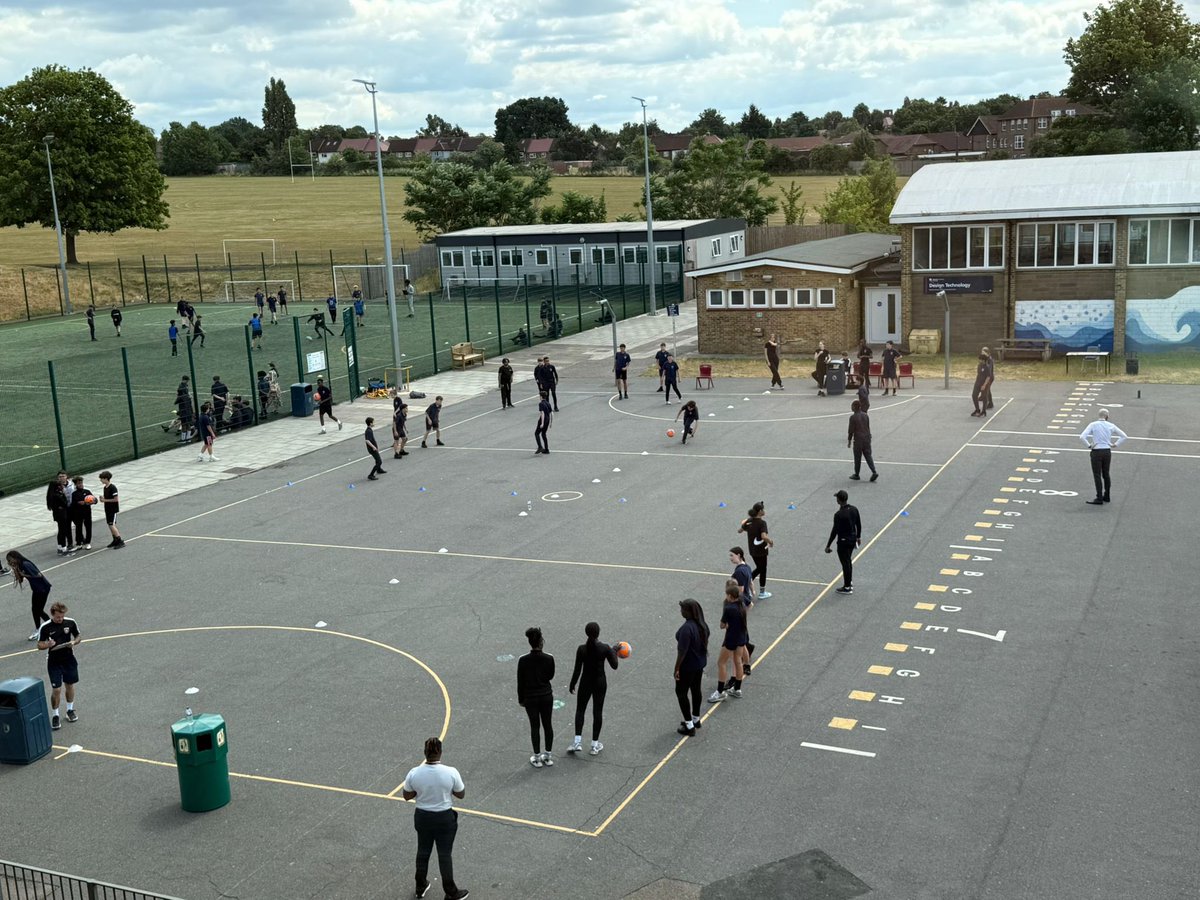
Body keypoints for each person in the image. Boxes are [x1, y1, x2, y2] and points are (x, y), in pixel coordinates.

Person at [402, 737, 469, 900]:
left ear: (425, 752)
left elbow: (407, 795)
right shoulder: (451, 772)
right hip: (444, 818)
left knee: (423, 851)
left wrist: (422, 791)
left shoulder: (414, 772)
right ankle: (450, 891)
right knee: (444, 854)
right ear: (440, 752)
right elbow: (461, 794)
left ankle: (420, 886)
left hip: (423, 817)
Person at [567, 622, 618, 756]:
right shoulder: (605, 648)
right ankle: (594, 745)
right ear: (598, 633)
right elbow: (615, 665)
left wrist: (573, 683)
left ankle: (577, 741)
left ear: (586, 633)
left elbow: (577, 669)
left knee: (580, 710)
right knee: (597, 711)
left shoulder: (582, 649)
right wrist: (614, 651)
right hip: (600, 682)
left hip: (585, 682)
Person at [37, 601, 81, 731]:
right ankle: (55, 715)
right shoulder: (45, 627)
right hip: (54, 662)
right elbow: (39, 645)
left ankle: (70, 710)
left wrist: (74, 642)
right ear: (52, 614)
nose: (60, 619)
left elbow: (78, 636)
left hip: (68, 659)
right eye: (57, 617)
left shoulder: (70, 622)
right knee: (56, 690)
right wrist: (48, 645)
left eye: (61, 617)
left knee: (70, 685)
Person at [517, 626, 556, 768]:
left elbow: (520, 681)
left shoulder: (523, 660)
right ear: (541, 642)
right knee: (548, 724)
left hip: (530, 697)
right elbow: (551, 675)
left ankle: (537, 756)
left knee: (535, 726)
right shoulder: (549, 658)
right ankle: (548, 755)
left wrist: (521, 699)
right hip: (546, 695)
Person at [674, 598, 709, 736]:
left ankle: (689, 725)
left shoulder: (686, 629)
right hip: (699, 664)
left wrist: (677, 668)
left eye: (683, 609)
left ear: (688, 612)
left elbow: (682, 651)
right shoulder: (702, 626)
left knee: (681, 693)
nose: (681, 611)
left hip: (687, 666)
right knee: (696, 690)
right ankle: (696, 719)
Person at [708, 584, 748, 703]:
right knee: (738, 662)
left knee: (721, 663)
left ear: (730, 596)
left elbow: (722, 625)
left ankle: (720, 692)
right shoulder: (741, 605)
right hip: (741, 637)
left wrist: (727, 624)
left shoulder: (729, 608)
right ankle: (737, 689)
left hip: (731, 639)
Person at [1080, 409, 1128, 505]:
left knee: (1097, 474)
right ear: (1107, 416)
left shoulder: (1093, 424)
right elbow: (1124, 436)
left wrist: (1089, 445)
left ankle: (1099, 497)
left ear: (1099, 416)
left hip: (1096, 451)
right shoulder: (1111, 425)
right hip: (1107, 451)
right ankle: (1107, 495)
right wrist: (1115, 444)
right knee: (1106, 474)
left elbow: (1082, 437)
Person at [7, 550, 52, 640]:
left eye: (10, 560)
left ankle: (49, 626)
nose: (10, 562)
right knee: (35, 609)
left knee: (38, 610)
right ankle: (41, 628)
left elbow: (38, 575)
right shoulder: (19, 566)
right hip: (36, 589)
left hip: (43, 588)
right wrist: (17, 573)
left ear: (15, 557)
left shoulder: (26, 564)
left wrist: (24, 574)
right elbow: (21, 580)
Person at [825, 489, 862, 594]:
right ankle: (849, 581)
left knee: (845, 563)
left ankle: (847, 587)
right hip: (852, 540)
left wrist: (828, 545)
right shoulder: (854, 509)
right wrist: (858, 537)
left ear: (839, 500)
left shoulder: (839, 515)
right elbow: (858, 524)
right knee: (848, 561)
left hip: (843, 542)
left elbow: (835, 531)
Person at [738, 502, 774, 599]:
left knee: (760, 568)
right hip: (761, 550)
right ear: (759, 512)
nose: (764, 511)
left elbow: (740, 530)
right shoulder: (762, 523)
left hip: (752, 550)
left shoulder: (749, 521)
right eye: (763, 509)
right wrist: (770, 542)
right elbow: (763, 536)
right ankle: (760, 591)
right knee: (762, 569)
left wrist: (746, 526)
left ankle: (749, 585)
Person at [848, 399, 879, 482]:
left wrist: (849, 440)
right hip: (867, 438)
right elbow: (867, 427)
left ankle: (857, 474)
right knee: (868, 456)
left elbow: (851, 430)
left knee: (857, 458)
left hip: (858, 440)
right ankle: (874, 471)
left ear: (854, 407)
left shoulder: (853, 417)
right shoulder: (865, 415)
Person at [46, 472, 74, 555]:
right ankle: (64, 548)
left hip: (57, 514)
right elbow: (65, 503)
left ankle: (60, 547)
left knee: (61, 531)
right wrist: (64, 495)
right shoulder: (58, 495)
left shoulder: (51, 495)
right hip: (62, 515)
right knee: (63, 531)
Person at [98, 470, 124, 549]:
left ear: (106, 478)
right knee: (110, 525)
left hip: (113, 509)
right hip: (108, 509)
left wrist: (105, 500)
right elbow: (107, 498)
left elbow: (115, 499)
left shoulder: (113, 487)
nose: (100, 480)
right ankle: (115, 539)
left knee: (112, 524)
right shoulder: (105, 488)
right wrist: (103, 498)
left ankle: (120, 541)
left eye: (101, 479)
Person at [70, 475, 95, 550]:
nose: (80, 484)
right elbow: (74, 504)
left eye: (81, 483)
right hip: (78, 514)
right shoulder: (74, 494)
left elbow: (94, 500)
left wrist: (91, 501)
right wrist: (79, 503)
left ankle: (88, 542)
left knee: (88, 527)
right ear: (75, 485)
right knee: (78, 528)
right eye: (78, 483)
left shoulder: (87, 492)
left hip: (87, 513)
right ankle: (78, 543)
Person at [971, 352, 993, 417]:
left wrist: (984, 385)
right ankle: (977, 410)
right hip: (977, 383)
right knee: (974, 395)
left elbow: (988, 377)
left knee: (984, 397)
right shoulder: (979, 365)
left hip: (984, 384)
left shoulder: (987, 367)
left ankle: (983, 411)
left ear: (983, 360)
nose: (979, 361)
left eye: (980, 359)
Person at [176, 377, 195, 442]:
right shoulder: (188, 396)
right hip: (188, 410)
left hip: (184, 410)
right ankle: (188, 438)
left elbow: (177, 400)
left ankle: (183, 439)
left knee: (184, 424)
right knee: (188, 424)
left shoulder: (181, 390)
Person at [534, 390, 553, 454]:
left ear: (541, 397)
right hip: (547, 420)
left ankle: (540, 447)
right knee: (543, 434)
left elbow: (542, 413)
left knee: (536, 433)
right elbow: (551, 413)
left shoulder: (541, 404)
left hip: (543, 420)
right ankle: (546, 449)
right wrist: (551, 422)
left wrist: (542, 423)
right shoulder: (548, 403)